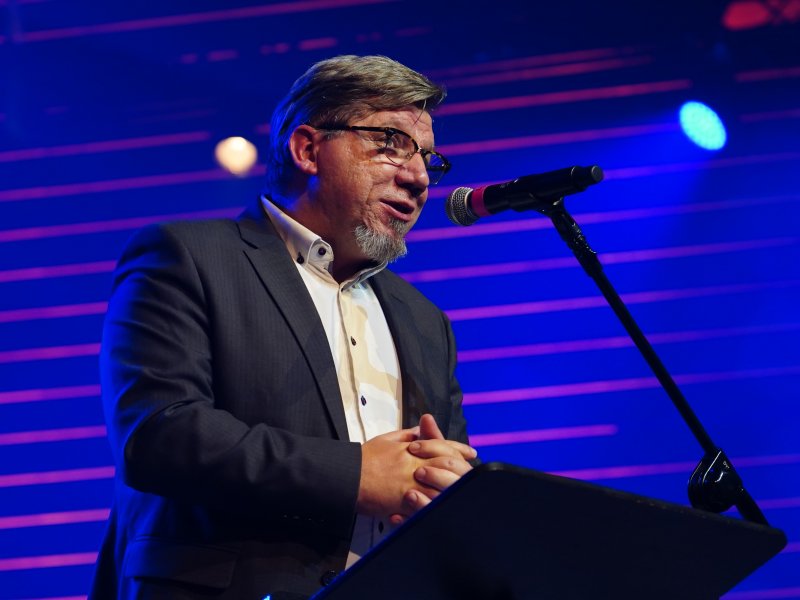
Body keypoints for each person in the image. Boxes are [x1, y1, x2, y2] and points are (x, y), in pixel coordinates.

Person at [89, 55, 476, 600]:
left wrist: (451, 485)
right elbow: (158, 436)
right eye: (391, 143)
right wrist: (355, 475)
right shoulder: (188, 258)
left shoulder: (424, 319)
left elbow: (443, 479)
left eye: (428, 160)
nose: (416, 178)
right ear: (307, 149)